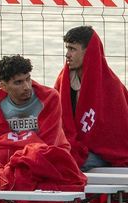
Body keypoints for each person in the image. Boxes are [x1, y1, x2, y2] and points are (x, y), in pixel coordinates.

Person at [0, 55, 86, 203]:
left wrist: (14, 140)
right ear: (4, 86)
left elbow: (46, 143)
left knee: (36, 172)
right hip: (12, 157)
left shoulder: (49, 97)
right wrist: (28, 140)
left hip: (52, 155)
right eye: (18, 82)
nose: (26, 86)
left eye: (28, 79)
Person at [54, 26, 128, 171]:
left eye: (73, 49)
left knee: (69, 165)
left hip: (103, 153)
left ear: (89, 52)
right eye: (67, 49)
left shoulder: (110, 86)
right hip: (72, 145)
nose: (67, 55)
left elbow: (115, 135)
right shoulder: (64, 81)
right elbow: (56, 118)